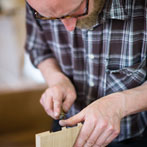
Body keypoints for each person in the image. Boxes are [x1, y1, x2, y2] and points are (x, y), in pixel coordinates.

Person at [25, 0, 147, 146]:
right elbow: (38, 49)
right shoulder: (37, 4)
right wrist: (56, 79)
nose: (69, 27)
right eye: (50, 18)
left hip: (135, 134)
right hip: (66, 130)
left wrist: (121, 103)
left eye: (75, 11)